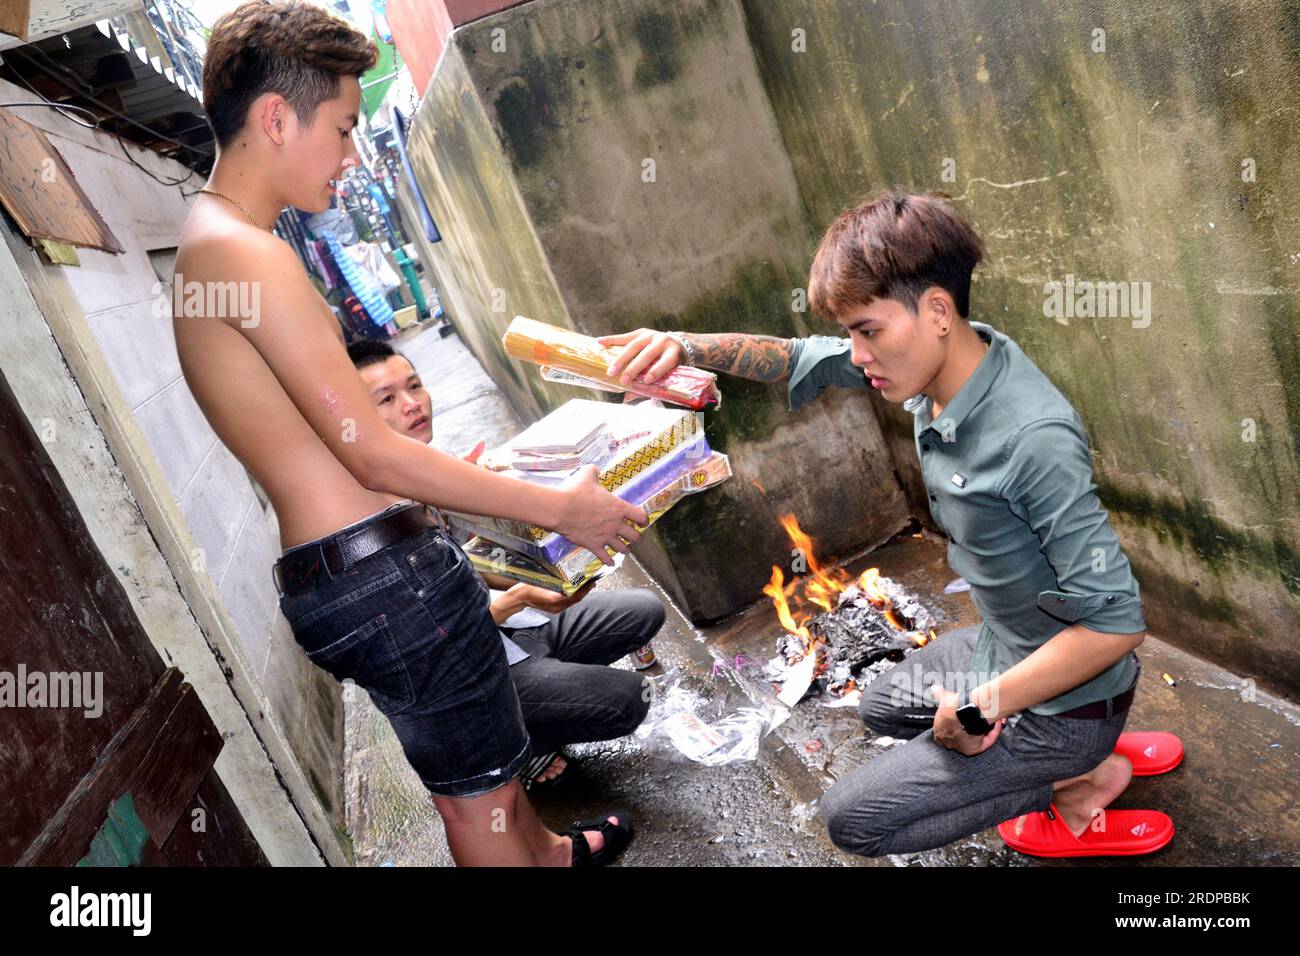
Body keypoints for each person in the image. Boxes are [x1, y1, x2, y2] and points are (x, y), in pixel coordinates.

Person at [174, 0, 644, 866]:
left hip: (346, 573)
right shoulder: (248, 255)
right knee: (481, 810)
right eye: (346, 128)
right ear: (276, 118)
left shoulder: (208, 250)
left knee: (487, 783)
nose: (352, 155)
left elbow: (336, 442)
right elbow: (371, 450)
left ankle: (550, 853)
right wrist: (559, 508)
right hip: (383, 576)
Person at [600, 190, 1174, 858]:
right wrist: (678, 345)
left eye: (866, 330)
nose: (857, 353)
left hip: (1067, 700)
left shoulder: (1030, 436)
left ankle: (1075, 777)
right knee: (880, 704)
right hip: (1009, 647)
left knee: (854, 821)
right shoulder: (945, 361)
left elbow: (1117, 623)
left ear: (935, 310)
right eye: (850, 333)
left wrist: (977, 709)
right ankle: (1076, 759)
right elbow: (793, 357)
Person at [347, 339, 663, 788]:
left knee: (643, 611)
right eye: (387, 399)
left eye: (414, 385)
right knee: (628, 701)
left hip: (511, 636)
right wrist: (516, 597)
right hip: (471, 676)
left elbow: (475, 566)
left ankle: (542, 693)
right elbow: (435, 641)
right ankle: (517, 749)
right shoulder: (372, 522)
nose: (413, 404)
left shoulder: (433, 475)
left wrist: (548, 579)